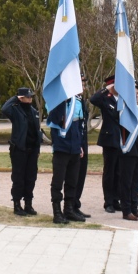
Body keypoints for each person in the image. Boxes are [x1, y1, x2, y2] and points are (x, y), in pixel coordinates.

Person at [46, 90, 88, 224]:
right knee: (58, 181)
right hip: (61, 147)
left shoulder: (78, 102)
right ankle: (57, 212)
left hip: (75, 146)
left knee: (72, 181)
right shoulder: (55, 101)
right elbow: (55, 119)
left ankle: (69, 210)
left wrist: (80, 144)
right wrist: (62, 102)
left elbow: (80, 124)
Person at [1, 87, 42, 216]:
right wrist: (15, 98)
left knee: (31, 178)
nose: (30, 99)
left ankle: (28, 204)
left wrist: (38, 148)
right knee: (18, 178)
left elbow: (37, 131)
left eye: (31, 96)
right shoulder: (15, 110)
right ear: (21, 97)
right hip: (19, 149)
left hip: (32, 150)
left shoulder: (34, 111)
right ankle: (17, 204)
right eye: (27, 96)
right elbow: (4, 109)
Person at [118, 85, 138, 221]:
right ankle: (126, 210)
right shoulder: (124, 110)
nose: (136, 95)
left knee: (135, 181)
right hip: (128, 150)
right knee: (127, 182)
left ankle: (134, 208)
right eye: (134, 93)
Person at [90, 76, 122, 213]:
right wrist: (105, 89)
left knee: (119, 172)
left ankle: (116, 200)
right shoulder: (105, 98)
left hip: (122, 139)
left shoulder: (122, 99)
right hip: (110, 139)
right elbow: (93, 99)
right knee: (109, 172)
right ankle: (108, 201)